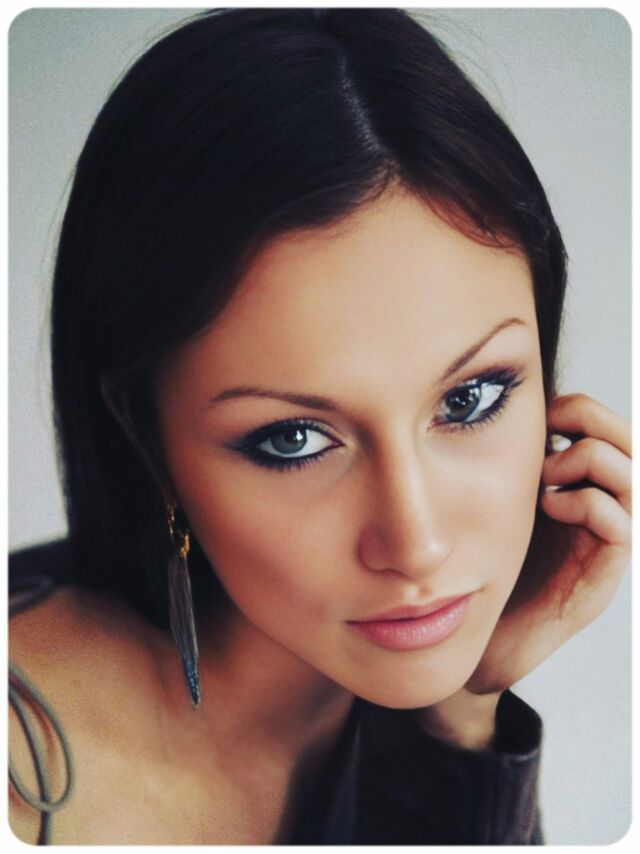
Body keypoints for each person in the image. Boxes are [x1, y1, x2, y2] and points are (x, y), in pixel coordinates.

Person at [8, 7, 631, 845]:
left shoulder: (415, 715)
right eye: (293, 440)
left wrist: (464, 713)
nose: (417, 545)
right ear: (147, 440)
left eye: (470, 400)